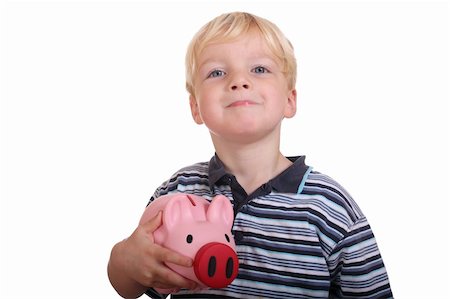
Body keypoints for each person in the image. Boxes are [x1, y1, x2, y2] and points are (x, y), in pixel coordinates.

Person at [107, 11, 393, 299]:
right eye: (217, 72)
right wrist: (124, 259)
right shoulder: (178, 191)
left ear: (289, 100)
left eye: (259, 69)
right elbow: (136, 283)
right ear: (195, 107)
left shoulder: (330, 208)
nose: (239, 81)